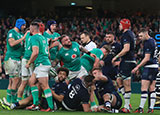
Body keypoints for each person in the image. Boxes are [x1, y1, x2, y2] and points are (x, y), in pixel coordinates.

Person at [25, 22, 54, 111]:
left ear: (33, 29)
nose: (29, 30)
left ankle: (51, 107)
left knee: (45, 86)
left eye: (30, 28)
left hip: (42, 64)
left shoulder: (34, 37)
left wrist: (29, 62)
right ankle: (35, 103)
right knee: (31, 82)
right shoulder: (43, 38)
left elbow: (35, 52)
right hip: (42, 64)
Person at [112, 18, 136, 113]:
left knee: (126, 83)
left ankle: (126, 106)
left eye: (120, 25)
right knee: (118, 80)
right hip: (127, 61)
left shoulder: (126, 34)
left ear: (124, 25)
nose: (119, 26)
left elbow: (126, 49)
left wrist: (116, 57)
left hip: (127, 61)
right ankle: (127, 102)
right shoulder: (131, 34)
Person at [132, 28, 158, 113]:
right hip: (155, 66)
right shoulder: (153, 41)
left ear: (146, 34)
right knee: (152, 88)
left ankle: (140, 108)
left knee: (144, 88)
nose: (139, 38)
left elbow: (146, 58)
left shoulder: (148, 42)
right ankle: (151, 108)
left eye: (141, 36)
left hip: (149, 67)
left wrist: (137, 67)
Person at [4, 18, 27, 103]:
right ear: (19, 24)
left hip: (17, 59)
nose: (24, 27)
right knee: (15, 80)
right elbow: (12, 43)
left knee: (13, 81)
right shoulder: (11, 32)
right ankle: (13, 101)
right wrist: (23, 37)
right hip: (11, 58)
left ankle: (9, 100)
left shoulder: (20, 34)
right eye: (23, 25)